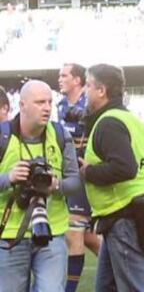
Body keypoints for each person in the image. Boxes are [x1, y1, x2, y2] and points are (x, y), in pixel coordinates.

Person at [81, 64, 144, 292]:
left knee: (135, 287)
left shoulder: (108, 122)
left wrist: (88, 172)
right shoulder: (129, 118)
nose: (85, 91)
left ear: (101, 90)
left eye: (88, 85)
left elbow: (125, 168)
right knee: (106, 287)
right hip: (131, 212)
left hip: (124, 215)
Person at [0, 81, 81, 292]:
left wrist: (56, 185)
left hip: (51, 233)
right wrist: (9, 178)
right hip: (9, 235)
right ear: (23, 104)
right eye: (39, 102)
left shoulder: (61, 135)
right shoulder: (2, 136)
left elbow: (75, 182)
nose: (46, 107)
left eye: (49, 102)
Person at [56, 63, 100, 292]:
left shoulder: (90, 102)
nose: (59, 79)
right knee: (90, 238)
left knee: (73, 234)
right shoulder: (61, 105)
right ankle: (119, 268)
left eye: (64, 75)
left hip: (86, 177)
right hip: (69, 175)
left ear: (77, 80)